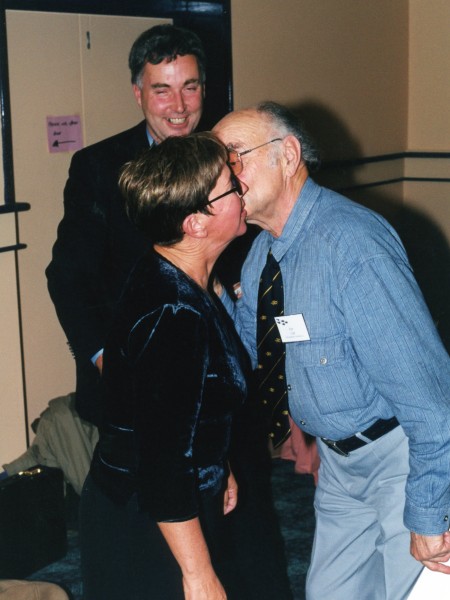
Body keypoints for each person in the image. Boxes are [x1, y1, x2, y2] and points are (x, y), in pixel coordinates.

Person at [213, 101, 450, 599]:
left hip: (401, 459)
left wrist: (431, 509)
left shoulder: (351, 246)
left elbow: (431, 398)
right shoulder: (262, 255)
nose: (224, 172)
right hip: (340, 470)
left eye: (234, 155)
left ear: (288, 155)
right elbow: (242, 357)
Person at [80, 132, 249, 599]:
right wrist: (198, 574)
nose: (243, 189)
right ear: (196, 222)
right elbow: (162, 462)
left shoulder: (175, 276)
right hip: (147, 522)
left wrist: (220, 463)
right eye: (231, 185)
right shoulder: (173, 313)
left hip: (166, 504)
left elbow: (183, 411)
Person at [46, 24, 206, 426]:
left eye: (190, 87)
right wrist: (104, 358)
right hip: (130, 379)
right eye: (162, 90)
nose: (179, 106)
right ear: (138, 94)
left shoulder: (226, 158)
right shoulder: (99, 168)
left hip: (210, 372)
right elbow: (67, 277)